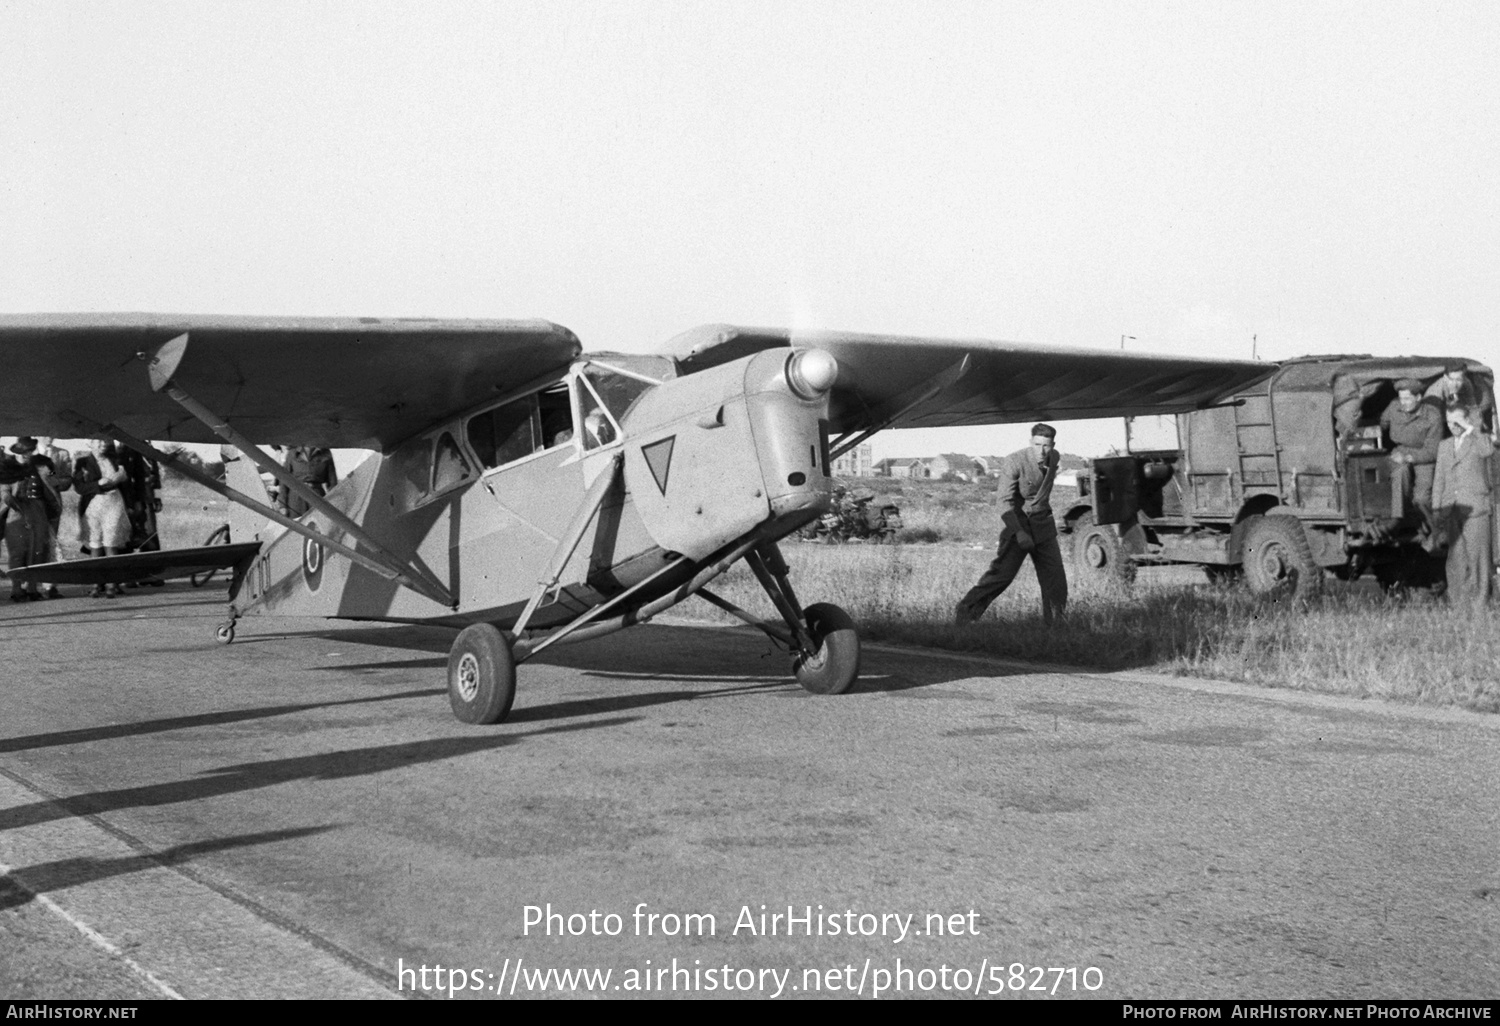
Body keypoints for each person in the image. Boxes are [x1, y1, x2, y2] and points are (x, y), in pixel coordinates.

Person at [955, 423, 1068, 624]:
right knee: (1002, 576)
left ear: (1053, 445)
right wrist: (1019, 532)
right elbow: (1003, 502)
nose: (1041, 451)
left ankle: (1056, 627)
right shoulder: (1014, 461)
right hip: (1019, 525)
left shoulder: (1055, 457)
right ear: (1030, 442)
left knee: (1056, 580)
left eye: (1046, 446)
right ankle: (966, 612)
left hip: (1043, 526)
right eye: (1037, 444)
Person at [1432, 406, 1493, 609]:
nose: (1452, 426)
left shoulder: (1477, 440)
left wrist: (1471, 427)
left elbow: (1488, 450)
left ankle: (1478, 608)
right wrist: (1436, 508)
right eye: (1449, 422)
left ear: (1466, 420)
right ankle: (1459, 606)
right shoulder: (1445, 445)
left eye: (1457, 421)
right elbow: (1439, 478)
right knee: (1456, 560)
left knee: (1478, 560)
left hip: (1475, 508)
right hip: (1452, 509)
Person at [1379, 379, 1443, 530]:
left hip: (1424, 457)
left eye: (1407, 398)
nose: (1403, 402)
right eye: (1401, 398)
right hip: (1400, 450)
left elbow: (1433, 451)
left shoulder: (1433, 416)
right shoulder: (1394, 406)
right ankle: (1397, 519)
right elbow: (1383, 421)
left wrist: (1409, 457)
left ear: (1419, 397)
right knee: (1399, 471)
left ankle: (1433, 528)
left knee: (1422, 499)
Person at [1, 440, 51, 601]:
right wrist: (13, 503)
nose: (26, 455)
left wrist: (53, 479)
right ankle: (16, 589)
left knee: (37, 550)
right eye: (22, 452)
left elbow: (54, 481)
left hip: (38, 511)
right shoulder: (8, 468)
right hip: (16, 512)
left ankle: (32, 588)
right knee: (17, 551)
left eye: (29, 451)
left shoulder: (42, 465)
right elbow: (5, 492)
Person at [80, 438, 129, 597]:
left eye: (104, 442)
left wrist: (121, 477)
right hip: (93, 504)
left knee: (111, 542)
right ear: (90, 444)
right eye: (98, 442)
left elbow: (126, 484)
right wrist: (98, 484)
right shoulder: (82, 462)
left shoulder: (115, 461)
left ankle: (111, 584)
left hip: (114, 501)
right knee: (95, 543)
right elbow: (79, 486)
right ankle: (96, 583)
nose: (102, 445)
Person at [1425, 362, 1495, 436]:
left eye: (1458, 380)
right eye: (1451, 379)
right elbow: (1428, 422)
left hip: (1454, 419)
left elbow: (1473, 409)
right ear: (1445, 377)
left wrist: (1477, 431)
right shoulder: (1435, 393)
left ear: (1464, 378)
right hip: (1436, 422)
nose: (1455, 384)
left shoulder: (1467, 384)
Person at [277, 446, 338, 518]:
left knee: (318, 525)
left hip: (317, 496)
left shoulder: (326, 453)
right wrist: (282, 505)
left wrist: (334, 503)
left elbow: (333, 482)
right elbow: (284, 479)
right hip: (295, 498)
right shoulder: (292, 453)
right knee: (296, 526)